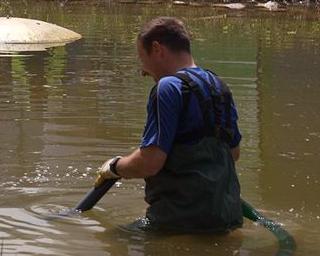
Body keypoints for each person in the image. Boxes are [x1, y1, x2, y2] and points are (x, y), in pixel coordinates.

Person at [94, 17, 243, 233]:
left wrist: (115, 167)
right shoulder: (218, 85)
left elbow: (150, 163)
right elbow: (233, 154)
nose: (143, 71)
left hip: (179, 221)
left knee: (109, 238)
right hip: (227, 218)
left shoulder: (168, 88)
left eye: (142, 59)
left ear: (157, 49)